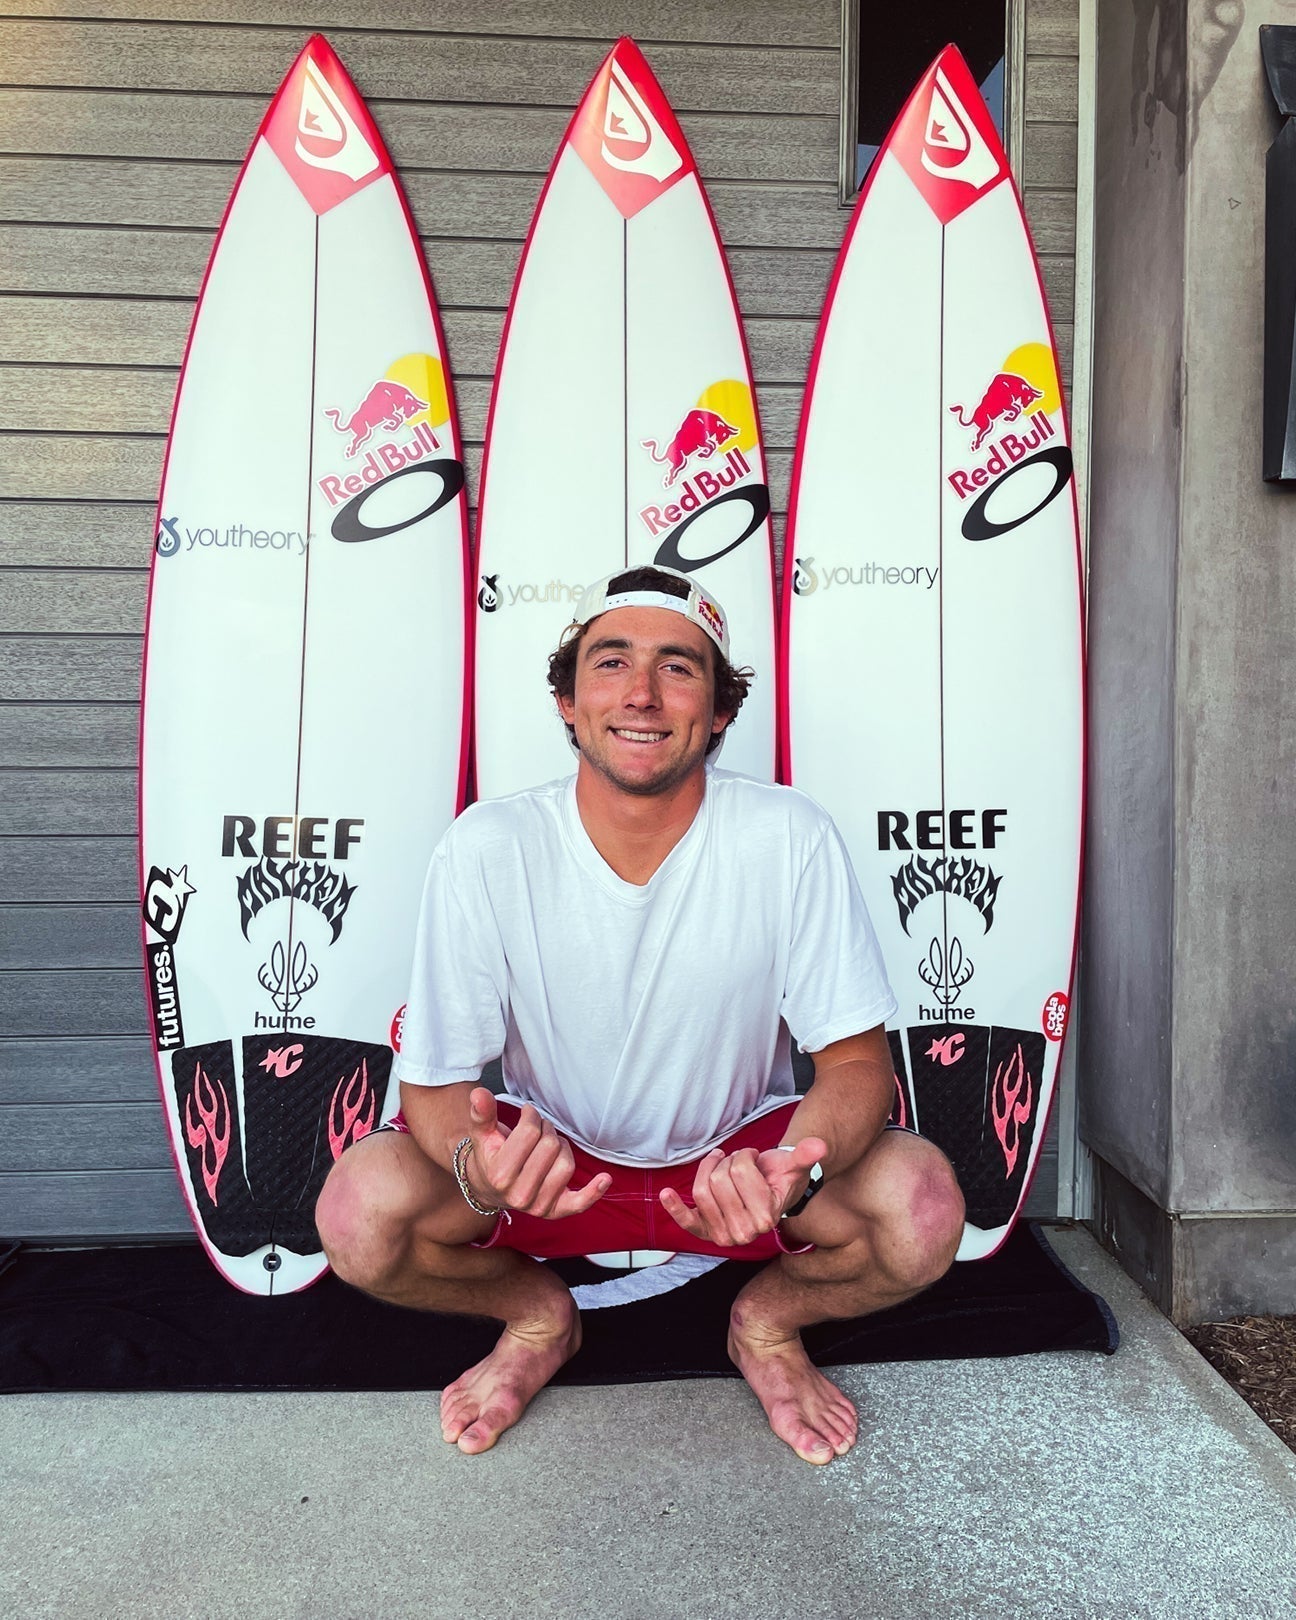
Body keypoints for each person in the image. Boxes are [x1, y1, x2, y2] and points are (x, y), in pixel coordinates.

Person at [315, 563, 965, 1465]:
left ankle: (768, 1324)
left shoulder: (789, 835)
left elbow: (856, 1066)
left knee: (923, 1208)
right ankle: (536, 1318)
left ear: (722, 710)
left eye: (679, 667)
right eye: (612, 662)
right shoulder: (488, 846)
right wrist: (478, 1167)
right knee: (358, 1214)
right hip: (553, 1166)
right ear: (568, 701)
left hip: (735, 1169)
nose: (643, 694)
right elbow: (433, 1084)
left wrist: (795, 1170)